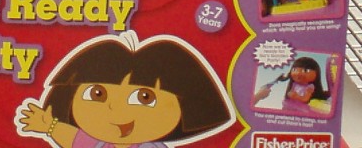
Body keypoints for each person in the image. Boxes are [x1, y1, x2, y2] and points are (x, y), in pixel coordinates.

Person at [15, 32, 234, 147]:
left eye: (145, 97)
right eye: (98, 94)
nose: (115, 108)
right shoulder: (98, 144)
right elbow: (74, 139)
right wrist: (49, 126)